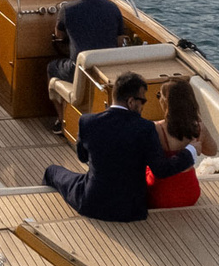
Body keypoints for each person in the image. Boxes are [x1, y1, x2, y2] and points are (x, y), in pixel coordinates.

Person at [44, 72, 190, 223]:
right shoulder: (146, 128)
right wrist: (190, 152)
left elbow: (82, 157)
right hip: (132, 211)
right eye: (143, 102)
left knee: (52, 171)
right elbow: (162, 170)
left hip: (92, 203)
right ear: (132, 102)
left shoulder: (88, 122)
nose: (143, 106)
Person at [45, 0, 123, 84]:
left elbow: (59, 35)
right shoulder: (113, 8)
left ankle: (61, 101)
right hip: (107, 67)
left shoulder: (67, 9)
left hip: (79, 69)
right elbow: (120, 39)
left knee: (52, 67)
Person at [147, 78, 210, 209]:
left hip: (160, 196)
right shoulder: (198, 127)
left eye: (159, 96)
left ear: (165, 102)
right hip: (189, 194)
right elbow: (212, 151)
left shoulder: (156, 128)